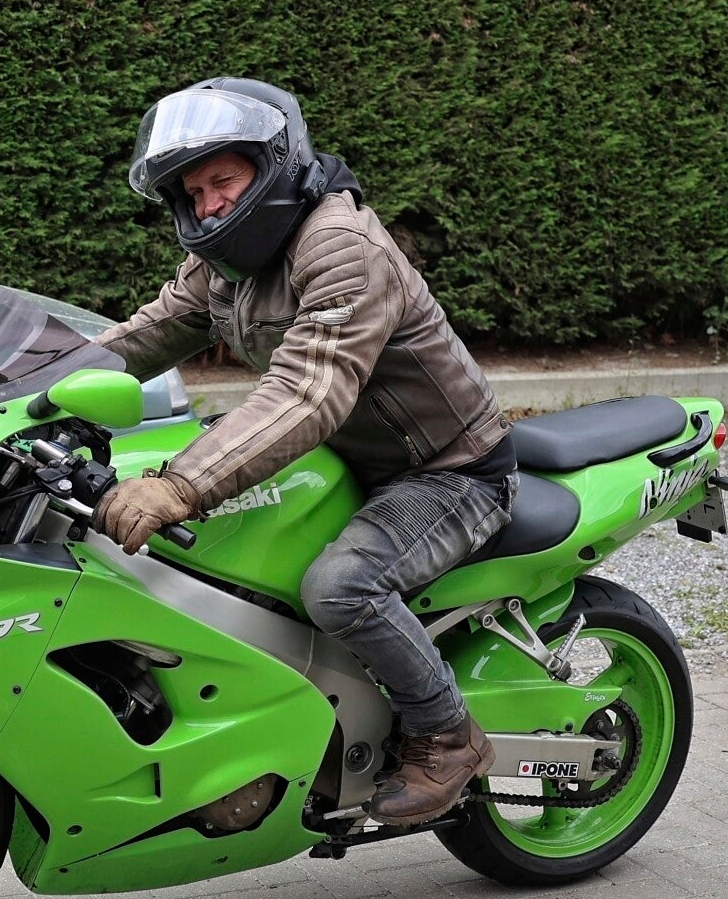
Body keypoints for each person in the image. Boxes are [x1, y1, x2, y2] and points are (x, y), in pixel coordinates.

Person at [91, 77, 517, 824]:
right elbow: (147, 333)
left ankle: (448, 735)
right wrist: (25, 384)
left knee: (340, 588)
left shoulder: (339, 246)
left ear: (274, 164)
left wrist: (179, 485)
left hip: (444, 469)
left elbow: (307, 390)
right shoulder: (228, 261)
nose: (209, 204)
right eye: (193, 192)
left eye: (223, 181)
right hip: (348, 460)